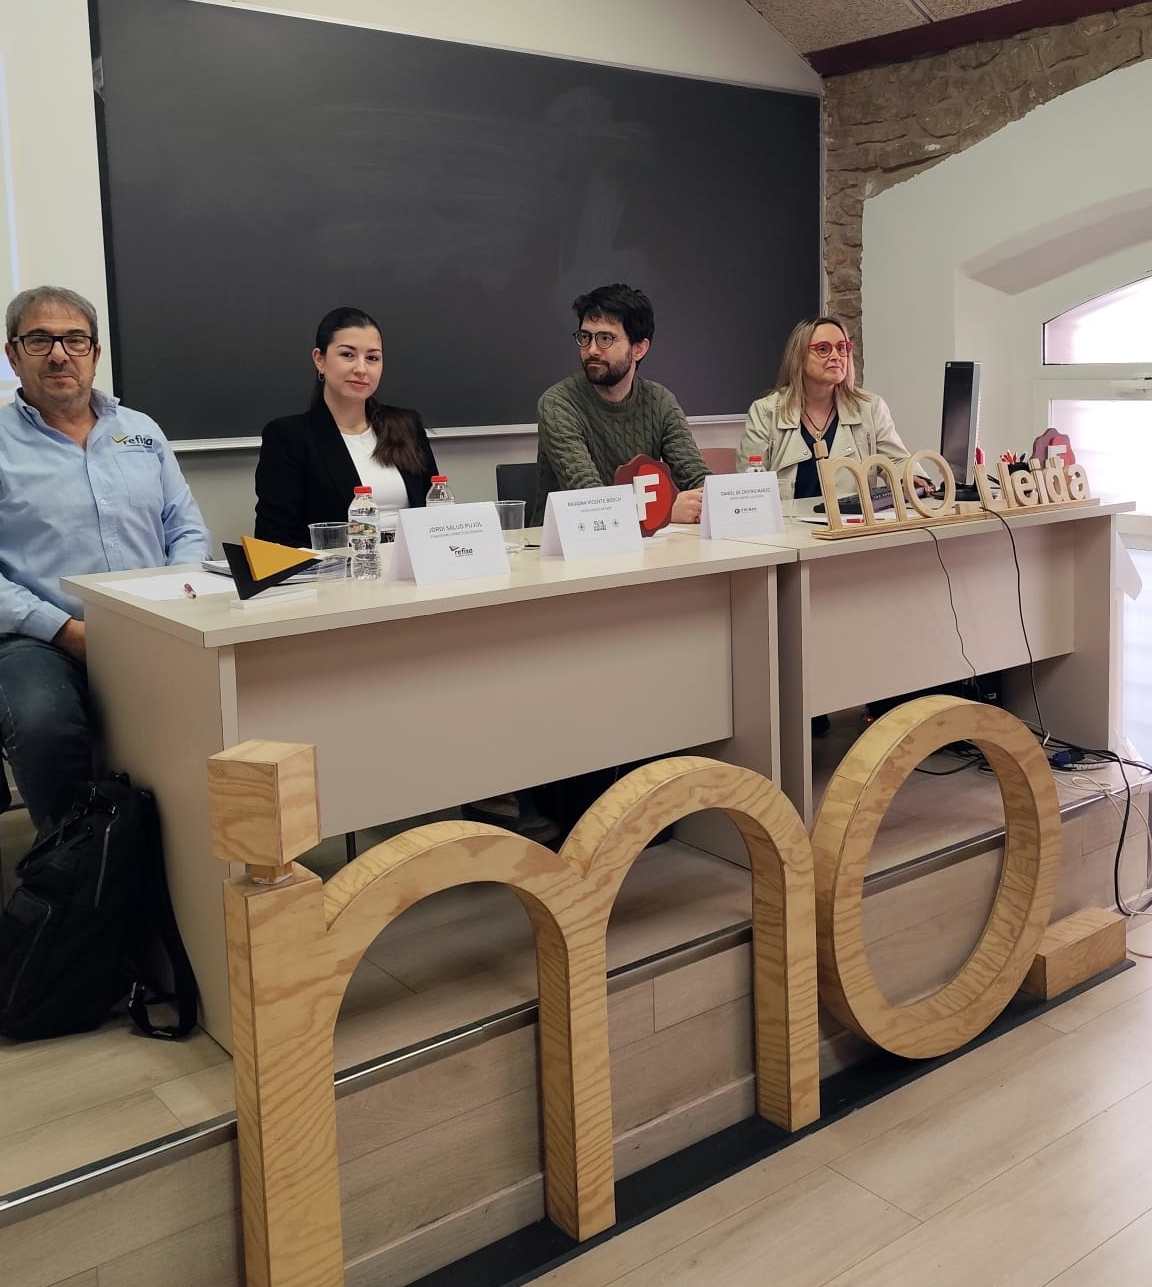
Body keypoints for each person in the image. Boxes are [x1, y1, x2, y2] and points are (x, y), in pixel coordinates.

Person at [0, 285, 211, 835]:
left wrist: (179, 602)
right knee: (44, 723)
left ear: (95, 353)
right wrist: (63, 630)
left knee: (217, 710)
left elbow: (186, 529)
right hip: (38, 638)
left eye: (75, 340)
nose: (59, 354)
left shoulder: (141, 431)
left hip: (156, 623)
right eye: (40, 340)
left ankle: (186, 861)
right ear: (13, 355)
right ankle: (78, 867)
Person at [255, 307, 437, 548]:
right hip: (339, 568)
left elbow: (435, 513)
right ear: (319, 360)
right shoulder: (289, 437)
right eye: (348, 355)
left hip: (414, 562)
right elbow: (274, 540)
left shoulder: (406, 426)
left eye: (372, 358)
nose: (361, 369)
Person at [533, 284, 708, 524]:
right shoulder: (558, 404)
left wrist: (709, 499)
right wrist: (664, 511)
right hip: (567, 540)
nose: (592, 350)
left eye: (605, 338)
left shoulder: (660, 401)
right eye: (585, 337)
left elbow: (698, 479)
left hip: (643, 541)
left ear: (639, 349)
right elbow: (590, 500)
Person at [737, 315, 931, 502]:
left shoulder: (870, 408)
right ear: (799, 357)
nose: (836, 356)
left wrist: (910, 477)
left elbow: (896, 461)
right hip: (789, 523)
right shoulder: (765, 412)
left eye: (842, 348)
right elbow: (749, 487)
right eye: (823, 349)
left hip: (852, 521)